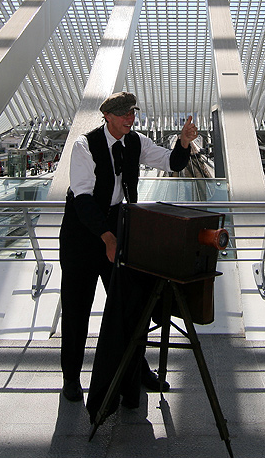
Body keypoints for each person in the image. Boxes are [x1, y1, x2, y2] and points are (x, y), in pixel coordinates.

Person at [58, 91, 196, 402]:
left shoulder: (135, 141)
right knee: (77, 306)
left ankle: (137, 368)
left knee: (129, 303)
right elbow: (83, 199)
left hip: (115, 228)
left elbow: (170, 162)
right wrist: (107, 238)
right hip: (82, 233)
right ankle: (71, 377)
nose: (129, 118)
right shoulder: (85, 145)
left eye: (132, 113)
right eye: (123, 114)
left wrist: (183, 143)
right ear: (107, 117)